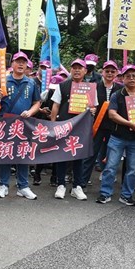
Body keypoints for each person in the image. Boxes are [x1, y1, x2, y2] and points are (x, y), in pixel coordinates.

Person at [97, 64, 135, 206]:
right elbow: (112, 114)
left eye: (134, 76)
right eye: (127, 76)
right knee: (110, 167)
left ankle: (126, 195)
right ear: (123, 79)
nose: (131, 78)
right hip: (117, 137)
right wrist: (130, 123)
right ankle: (105, 193)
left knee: (132, 169)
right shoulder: (117, 95)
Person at [0, 51, 40, 200]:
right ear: (12, 64)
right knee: (5, 153)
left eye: (23, 62)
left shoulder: (31, 83)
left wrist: (30, 112)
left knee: (23, 154)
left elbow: (37, 103)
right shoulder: (3, 81)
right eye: (18, 61)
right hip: (6, 122)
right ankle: (3, 185)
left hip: (24, 122)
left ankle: (23, 186)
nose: (20, 64)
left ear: (27, 65)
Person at [50, 58, 97, 200]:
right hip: (64, 125)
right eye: (74, 67)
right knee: (61, 156)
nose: (77, 70)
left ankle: (77, 186)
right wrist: (53, 125)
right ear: (70, 70)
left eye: (80, 68)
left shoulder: (90, 88)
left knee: (79, 156)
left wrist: (93, 111)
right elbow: (56, 105)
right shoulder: (62, 86)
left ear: (85, 71)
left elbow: (94, 106)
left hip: (81, 128)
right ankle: (61, 185)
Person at [80, 60, 122, 187]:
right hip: (96, 126)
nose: (109, 73)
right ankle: (82, 183)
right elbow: (85, 105)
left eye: (112, 71)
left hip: (114, 127)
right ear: (102, 72)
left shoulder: (120, 89)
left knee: (111, 156)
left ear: (116, 73)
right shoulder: (93, 86)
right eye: (107, 71)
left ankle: (107, 184)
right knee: (90, 155)